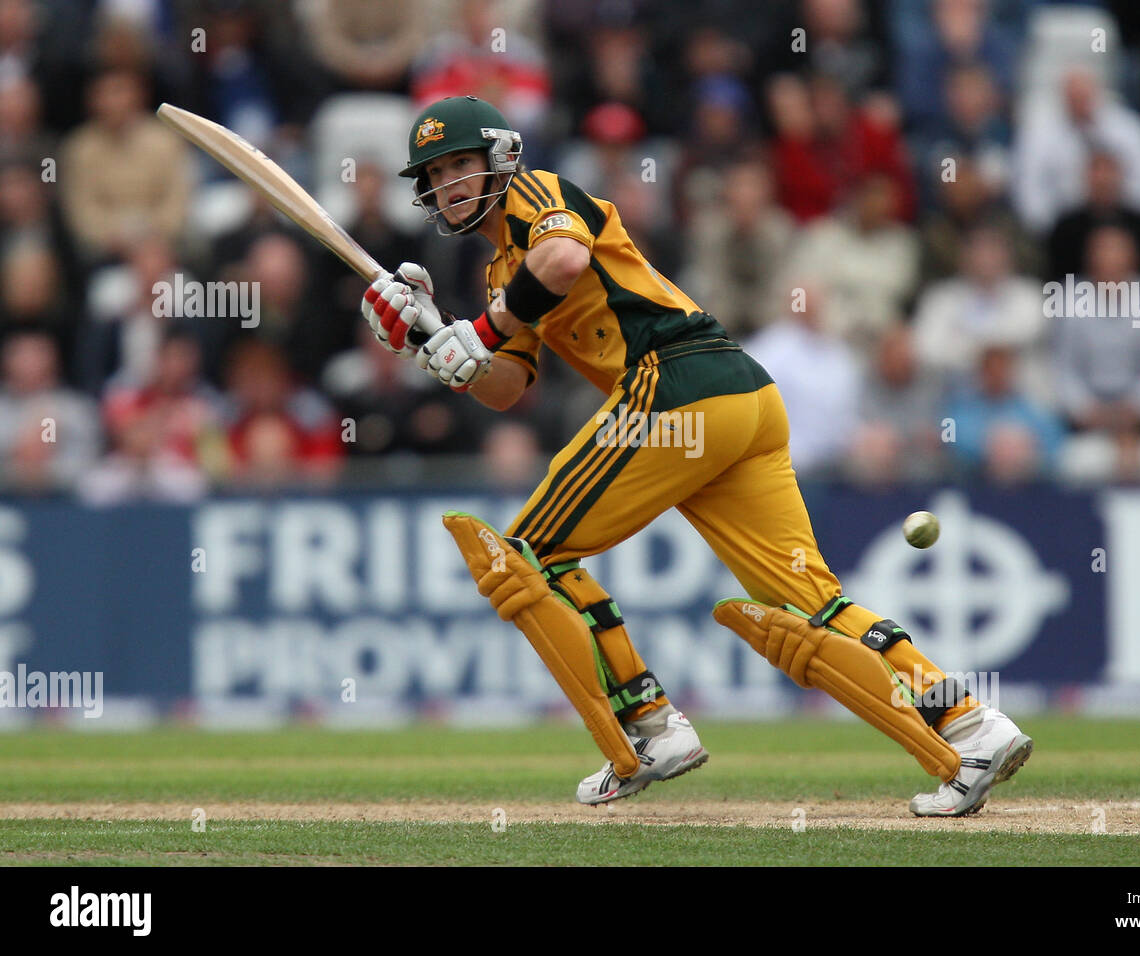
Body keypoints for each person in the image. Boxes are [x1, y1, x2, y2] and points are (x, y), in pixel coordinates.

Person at [359, 95, 1033, 816]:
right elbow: (503, 390)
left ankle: (651, 727)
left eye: (462, 163)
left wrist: (479, 331)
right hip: (739, 399)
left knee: (526, 556)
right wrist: (433, 344)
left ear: (501, 156)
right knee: (810, 599)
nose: (452, 184)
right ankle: (970, 721)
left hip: (676, 381)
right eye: (436, 174)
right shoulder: (499, 280)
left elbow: (562, 258)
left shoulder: (537, 194)